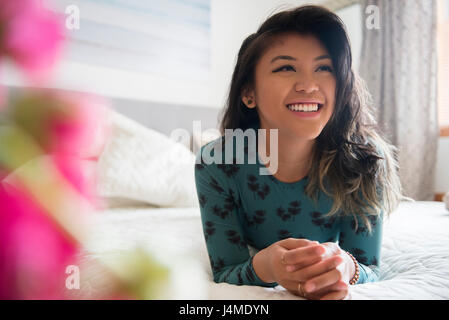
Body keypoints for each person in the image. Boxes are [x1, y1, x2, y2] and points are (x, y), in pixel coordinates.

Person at [194, 5, 407, 300]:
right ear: (249, 94)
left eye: (324, 68)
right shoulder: (217, 163)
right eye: (286, 67)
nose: (309, 85)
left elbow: (367, 265)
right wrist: (268, 266)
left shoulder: (365, 159)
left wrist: (345, 267)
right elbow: (226, 270)